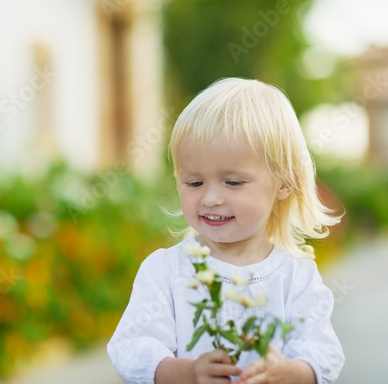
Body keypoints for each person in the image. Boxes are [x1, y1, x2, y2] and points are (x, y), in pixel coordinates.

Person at [107, 78, 345, 384]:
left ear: (285, 182)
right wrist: (187, 373)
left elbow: (323, 353)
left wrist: (291, 373)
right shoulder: (165, 271)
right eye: (194, 183)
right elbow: (132, 349)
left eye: (232, 182)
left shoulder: (295, 277)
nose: (210, 198)